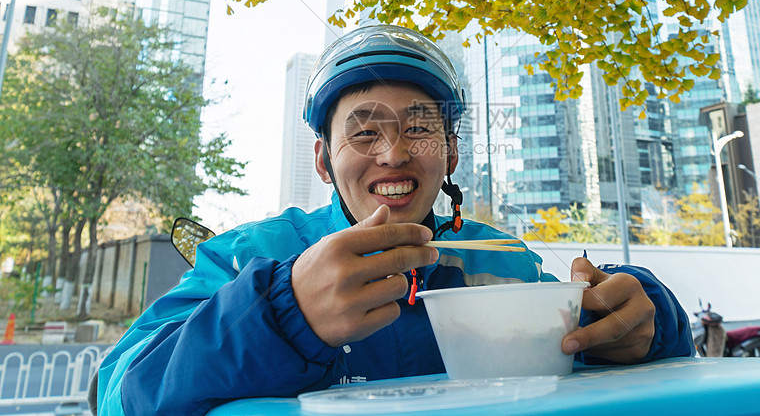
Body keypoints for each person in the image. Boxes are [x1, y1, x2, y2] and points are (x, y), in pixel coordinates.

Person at [96, 25, 694, 415]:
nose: (394, 152)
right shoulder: (245, 255)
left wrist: (647, 329)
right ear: (325, 160)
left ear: (451, 155)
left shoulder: (503, 262)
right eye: (363, 131)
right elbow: (117, 391)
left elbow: (584, 369)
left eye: (420, 127)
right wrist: (280, 314)